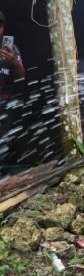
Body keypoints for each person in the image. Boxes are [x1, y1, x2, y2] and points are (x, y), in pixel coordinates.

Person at [0, 10, 25, 174]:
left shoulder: (11, 49)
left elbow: (22, 76)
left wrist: (13, 62)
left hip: (3, 102)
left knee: (2, 142)